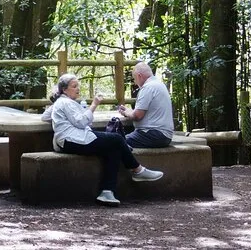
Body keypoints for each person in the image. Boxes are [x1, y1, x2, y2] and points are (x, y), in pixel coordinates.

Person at [41, 73, 164, 206]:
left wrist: (57, 104)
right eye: (74, 86)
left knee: (113, 150)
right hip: (72, 140)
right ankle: (137, 170)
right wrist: (94, 104)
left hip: (72, 140)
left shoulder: (62, 102)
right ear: (65, 90)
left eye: (78, 86)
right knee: (116, 139)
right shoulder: (65, 102)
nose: (78, 89)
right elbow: (81, 122)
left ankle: (107, 192)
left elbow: (45, 116)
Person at [118, 62, 174, 148]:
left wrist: (126, 113)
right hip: (164, 135)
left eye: (134, 79)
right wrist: (130, 111)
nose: (135, 83)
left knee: (116, 143)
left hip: (152, 134)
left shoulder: (148, 87)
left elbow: (137, 116)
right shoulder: (159, 85)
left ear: (139, 76)